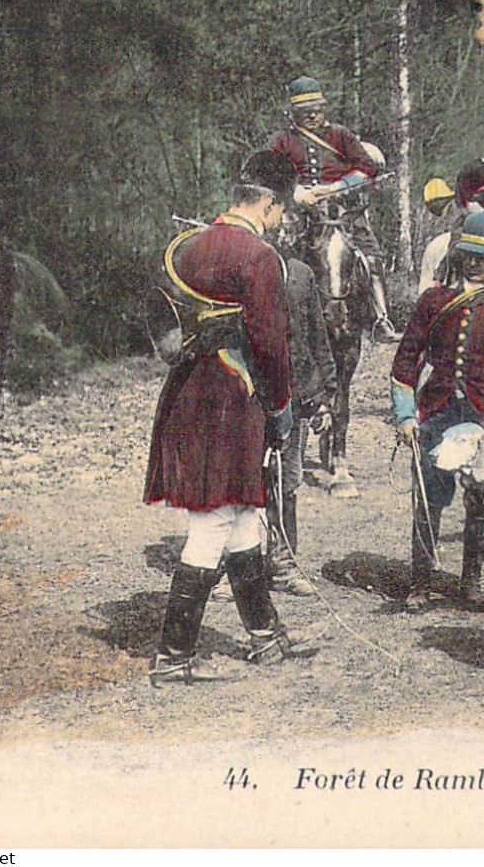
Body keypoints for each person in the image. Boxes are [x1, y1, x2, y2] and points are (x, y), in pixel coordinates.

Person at [143, 150, 310, 685]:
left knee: (242, 513)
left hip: (188, 391)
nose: (281, 221)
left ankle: (264, 634)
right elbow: (270, 343)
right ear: (266, 203)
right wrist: (282, 407)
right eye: (281, 211)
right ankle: (173, 657)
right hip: (234, 397)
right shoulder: (261, 258)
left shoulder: (185, 247)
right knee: (214, 519)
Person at [391, 209, 484, 611]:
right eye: (468, 254)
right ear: (457, 254)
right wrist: (406, 416)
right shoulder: (433, 301)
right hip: (435, 412)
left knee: (480, 504)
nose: (475, 263)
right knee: (427, 499)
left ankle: (470, 581)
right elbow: (405, 363)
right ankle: (420, 580)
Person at [268, 75, 398, 342]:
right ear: (292, 113)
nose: (313, 114)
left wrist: (336, 187)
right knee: (273, 264)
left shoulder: (341, 135)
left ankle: (381, 318)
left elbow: (367, 167)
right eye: (305, 111)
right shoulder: (282, 140)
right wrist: (296, 193)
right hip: (296, 214)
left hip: (343, 213)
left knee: (371, 258)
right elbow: (265, 172)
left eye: (317, 108)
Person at [266, 251, 337, 597]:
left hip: (294, 396)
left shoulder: (301, 274)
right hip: (247, 399)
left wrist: (324, 393)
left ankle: (283, 565)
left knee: (288, 481)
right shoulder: (236, 269)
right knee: (242, 486)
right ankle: (232, 571)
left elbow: (316, 338)